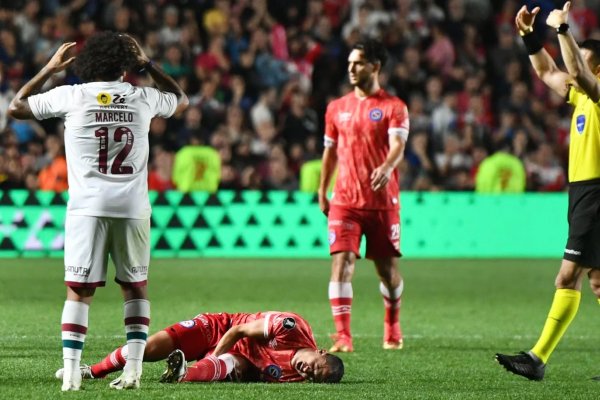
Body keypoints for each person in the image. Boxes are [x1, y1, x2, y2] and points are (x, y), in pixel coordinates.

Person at [8, 32, 189, 391]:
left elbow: (16, 106)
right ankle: (134, 372)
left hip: (88, 208)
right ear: (126, 68)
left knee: (79, 293)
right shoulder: (141, 97)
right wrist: (149, 64)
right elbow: (182, 100)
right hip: (133, 208)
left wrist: (48, 68)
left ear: (88, 65)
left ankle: (72, 374)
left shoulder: (72, 96)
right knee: (135, 289)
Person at [495, 2, 600, 381]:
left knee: (566, 276)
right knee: (598, 282)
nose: (576, 71)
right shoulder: (581, 96)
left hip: (596, 194)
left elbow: (577, 73)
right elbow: (547, 71)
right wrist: (528, 35)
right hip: (584, 193)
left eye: (584, 62)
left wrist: (563, 29)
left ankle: (537, 358)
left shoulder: (598, 91)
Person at [317, 38, 409, 352]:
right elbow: (328, 153)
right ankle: (343, 336)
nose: (352, 69)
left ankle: (392, 325)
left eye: (358, 63)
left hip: (382, 203)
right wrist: (322, 188)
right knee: (341, 263)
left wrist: (386, 166)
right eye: (349, 64)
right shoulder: (336, 108)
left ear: (375, 66)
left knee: (387, 271)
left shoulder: (394, 107)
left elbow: (398, 146)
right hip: (344, 200)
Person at [55, 311, 345, 384]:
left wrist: (216, 364)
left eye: (312, 376)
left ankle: (183, 374)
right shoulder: (291, 327)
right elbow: (238, 330)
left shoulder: (295, 376)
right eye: (314, 366)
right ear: (319, 350)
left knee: (238, 365)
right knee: (149, 348)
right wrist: (212, 356)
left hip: (237, 355)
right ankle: (92, 371)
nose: (307, 371)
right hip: (219, 328)